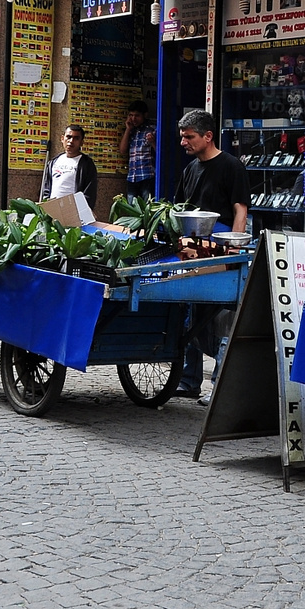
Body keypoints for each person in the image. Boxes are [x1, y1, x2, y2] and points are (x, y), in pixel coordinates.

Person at [172, 109, 250, 401]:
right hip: (193, 252)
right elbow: (179, 210)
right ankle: (188, 381)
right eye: (182, 137)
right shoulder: (190, 170)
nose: (183, 142)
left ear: (208, 136)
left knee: (221, 318)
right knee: (190, 312)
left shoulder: (232, 166)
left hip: (222, 250)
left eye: (189, 137)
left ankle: (218, 385)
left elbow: (240, 210)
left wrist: (234, 249)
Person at [39, 125, 98, 210]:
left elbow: (90, 193)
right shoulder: (53, 162)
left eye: (76, 138)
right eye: (68, 137)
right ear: (62, 138)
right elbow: (46, 189)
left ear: (81, 142)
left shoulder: (86, 164)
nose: (71, 141)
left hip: (73, 211)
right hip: (52, 210)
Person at [119, 101, 157, 199]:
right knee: (131, 208)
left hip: (147, 175)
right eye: (131, 115)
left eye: (137, 115)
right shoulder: (131, 130)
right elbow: (122, 150)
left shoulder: (152, 129)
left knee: (147, 208)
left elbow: (161, 153)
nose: (133, 119)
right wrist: (128, 129)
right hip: (132, 176)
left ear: (145, 115)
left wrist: (152, 142)